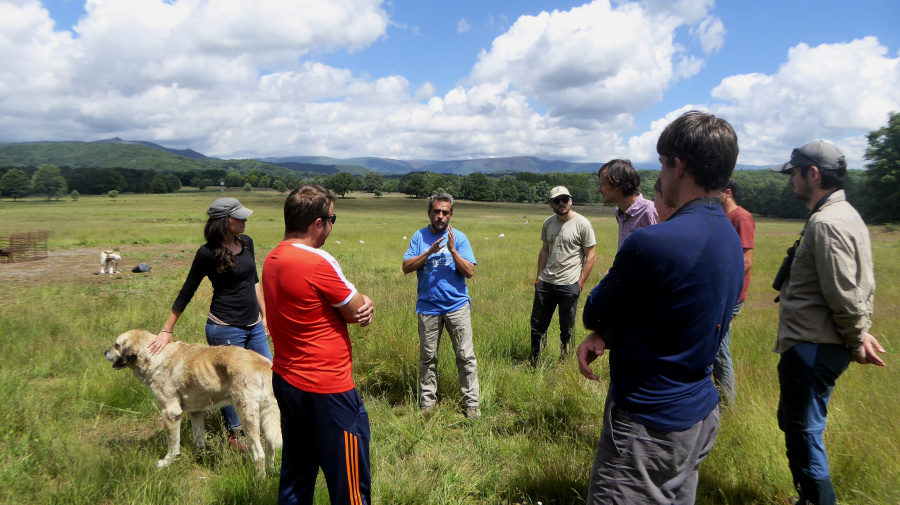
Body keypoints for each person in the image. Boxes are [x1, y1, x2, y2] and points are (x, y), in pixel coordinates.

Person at [577, 110, 745, 504]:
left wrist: (603, 327)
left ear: (678, 165)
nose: (661, 177)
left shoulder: (653, 243)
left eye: (662, 164)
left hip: (648, 423)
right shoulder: (728, 238)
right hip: (698, 414)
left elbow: (594, 312)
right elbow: (675, 313)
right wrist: (612, 334)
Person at [771, 141, 886, 505]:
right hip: (815, 344)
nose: (790, 181)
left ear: (814, 174)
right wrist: (859, 332)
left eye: (794, 173)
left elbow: (845, 292)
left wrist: (856, 339)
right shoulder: (845, 213)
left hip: (813, 346)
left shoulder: (826, 222)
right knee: (794, 423)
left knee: (804, 433)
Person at [263, 184, 375, 505]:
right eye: (331, 218)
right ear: (317, 224)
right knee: (350, 484)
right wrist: (366, 300)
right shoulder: (317, 262)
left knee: (296, 476)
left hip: (287, 379)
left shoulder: (272, 258)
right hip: (328, 388)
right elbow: (356, 311)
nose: (331, 224)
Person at [149, 197, 271, 450]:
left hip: (254, 325)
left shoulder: (246, 243)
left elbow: (254, 281)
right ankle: (236, 435)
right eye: (239, 217)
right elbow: (187, 290)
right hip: (224, 328)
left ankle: (268, 427)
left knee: (268, 377)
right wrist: (166, 330)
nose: (245, 220)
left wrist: (265, 315)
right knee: (228, 384)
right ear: (225, 222)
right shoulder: (207, 253)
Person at [402, 192, 481, 418]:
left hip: (457, 306)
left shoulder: (461, 238)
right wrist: (429, 252)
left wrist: (453, 250)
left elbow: (469, 272)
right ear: (429, 213)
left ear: (451, 215)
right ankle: (428, 404)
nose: (440, 216)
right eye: (436, 211)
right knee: (428, 358)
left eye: (445, 212)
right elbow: (406, 267)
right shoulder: (419, 237)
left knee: (465, 356)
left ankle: (471, 405)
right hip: (428, 307)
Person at [530, 186, 596, 362]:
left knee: (566, 327)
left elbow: (591, 255)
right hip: (546, 282)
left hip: (569, 283)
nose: (561, 203)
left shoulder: (582, 223)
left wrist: (580, 283)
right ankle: (536, 360)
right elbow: (544, 250)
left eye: (564, 199)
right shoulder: (548, 223)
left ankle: (564, 361)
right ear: (551, 204)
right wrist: (539, 277)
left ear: (570, 201)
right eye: (557, 201)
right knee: (537, 324)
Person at [713, 177, 756, 406]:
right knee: (716, 344)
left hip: (731, 294)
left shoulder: (741, 217)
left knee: (718, 348)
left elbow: (746, 261)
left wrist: (723, 284)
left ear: (727, 192)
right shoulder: (724, 216)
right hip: (721, 292)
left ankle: (727, 405)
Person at [597, 159, 658, 248]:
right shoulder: (619, 212)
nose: (599, 190)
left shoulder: (650, 211)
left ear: (616, 184)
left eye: (602, 185)